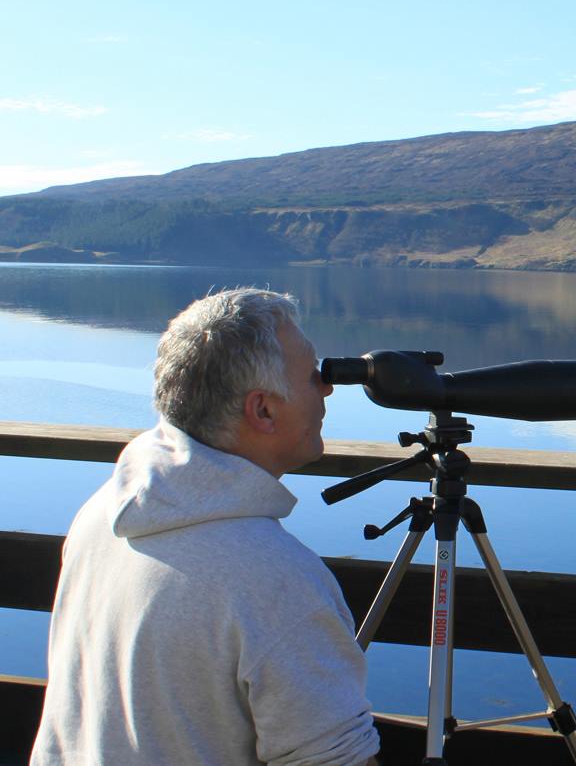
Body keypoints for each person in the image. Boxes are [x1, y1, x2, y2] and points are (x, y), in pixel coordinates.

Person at [31, 288, 381, 766]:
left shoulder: (103, 513)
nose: (327, 388)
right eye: (313, 376)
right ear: (262, 409)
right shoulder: (274, 579)